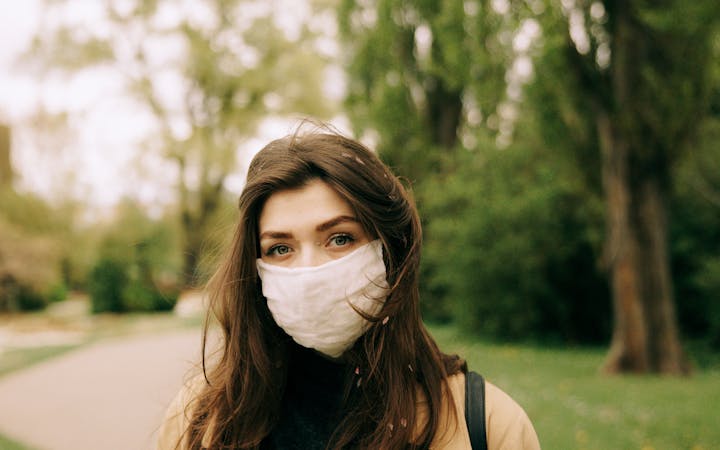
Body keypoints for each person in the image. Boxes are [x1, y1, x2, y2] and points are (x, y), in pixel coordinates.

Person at [157, 127, 540, 449]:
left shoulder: (487, 425)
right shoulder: (200, 423)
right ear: (254, 272)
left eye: (339, 239)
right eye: (280, 248)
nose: (309, 272)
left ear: (392, 253)